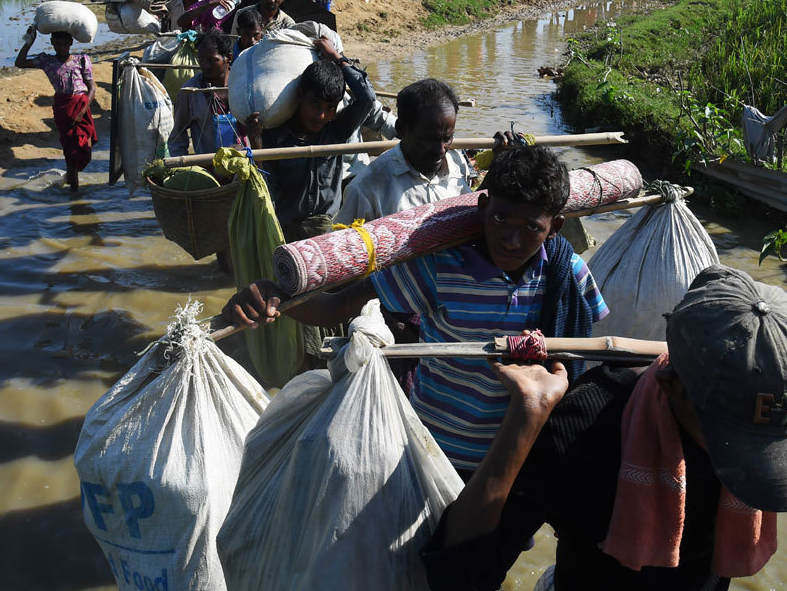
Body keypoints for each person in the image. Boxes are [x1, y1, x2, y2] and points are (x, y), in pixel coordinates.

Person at [417, 264, 787, 591]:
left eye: (779, 436)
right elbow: (461, 575)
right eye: (738, 440)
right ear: (675, 389)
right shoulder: (586, 432)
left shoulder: (768, 412)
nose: (759, 456)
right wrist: (525, 420)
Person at [223, 144, 610, 475]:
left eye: (531, 227)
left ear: (555, 227)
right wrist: (274, 296)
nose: (510, 239)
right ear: (482, 206)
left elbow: (586, 348)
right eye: (499, 219)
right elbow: (339, 305)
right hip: (431, 448)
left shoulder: (566, 273)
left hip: (515, 456)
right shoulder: (440, 267)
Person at [242, 37, 376, 242]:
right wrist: (256, 142)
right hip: (287, 233)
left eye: (330, 109)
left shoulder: (336, 132)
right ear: (300, 95)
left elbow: (366, 96)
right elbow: (265, 185)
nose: (321, 116)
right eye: (315, 104)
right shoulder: (276, 137)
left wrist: (336, 57)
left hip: (328, 232)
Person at [335, 79, 472, 223]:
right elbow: (341, 241)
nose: (440, 150)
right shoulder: (365, 190)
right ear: (401, 129)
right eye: (428, 139)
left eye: (447, 138)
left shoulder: (458, 163)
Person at [15, 27, 94, 193]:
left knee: (86, 152)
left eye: (65, 44)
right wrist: (29, 41)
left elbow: (92, 88)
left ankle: (70, 177)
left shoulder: (81, 60)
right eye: (57, 44)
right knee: (71, 154)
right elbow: (19, 63)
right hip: (63, 109)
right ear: (52, 43)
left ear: (70, 43)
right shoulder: (47, 61)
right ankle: (74, 193)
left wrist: (81, 112)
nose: (61, 47)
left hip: (81, 107)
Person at [167, 33, 237, 157]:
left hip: (245, 165)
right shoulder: (191, 92)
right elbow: (177, 136)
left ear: (228, 58)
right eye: (201, 60)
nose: (204, 66)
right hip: (208, 167)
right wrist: (180, 167)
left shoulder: (242, 83)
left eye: (211, 60)